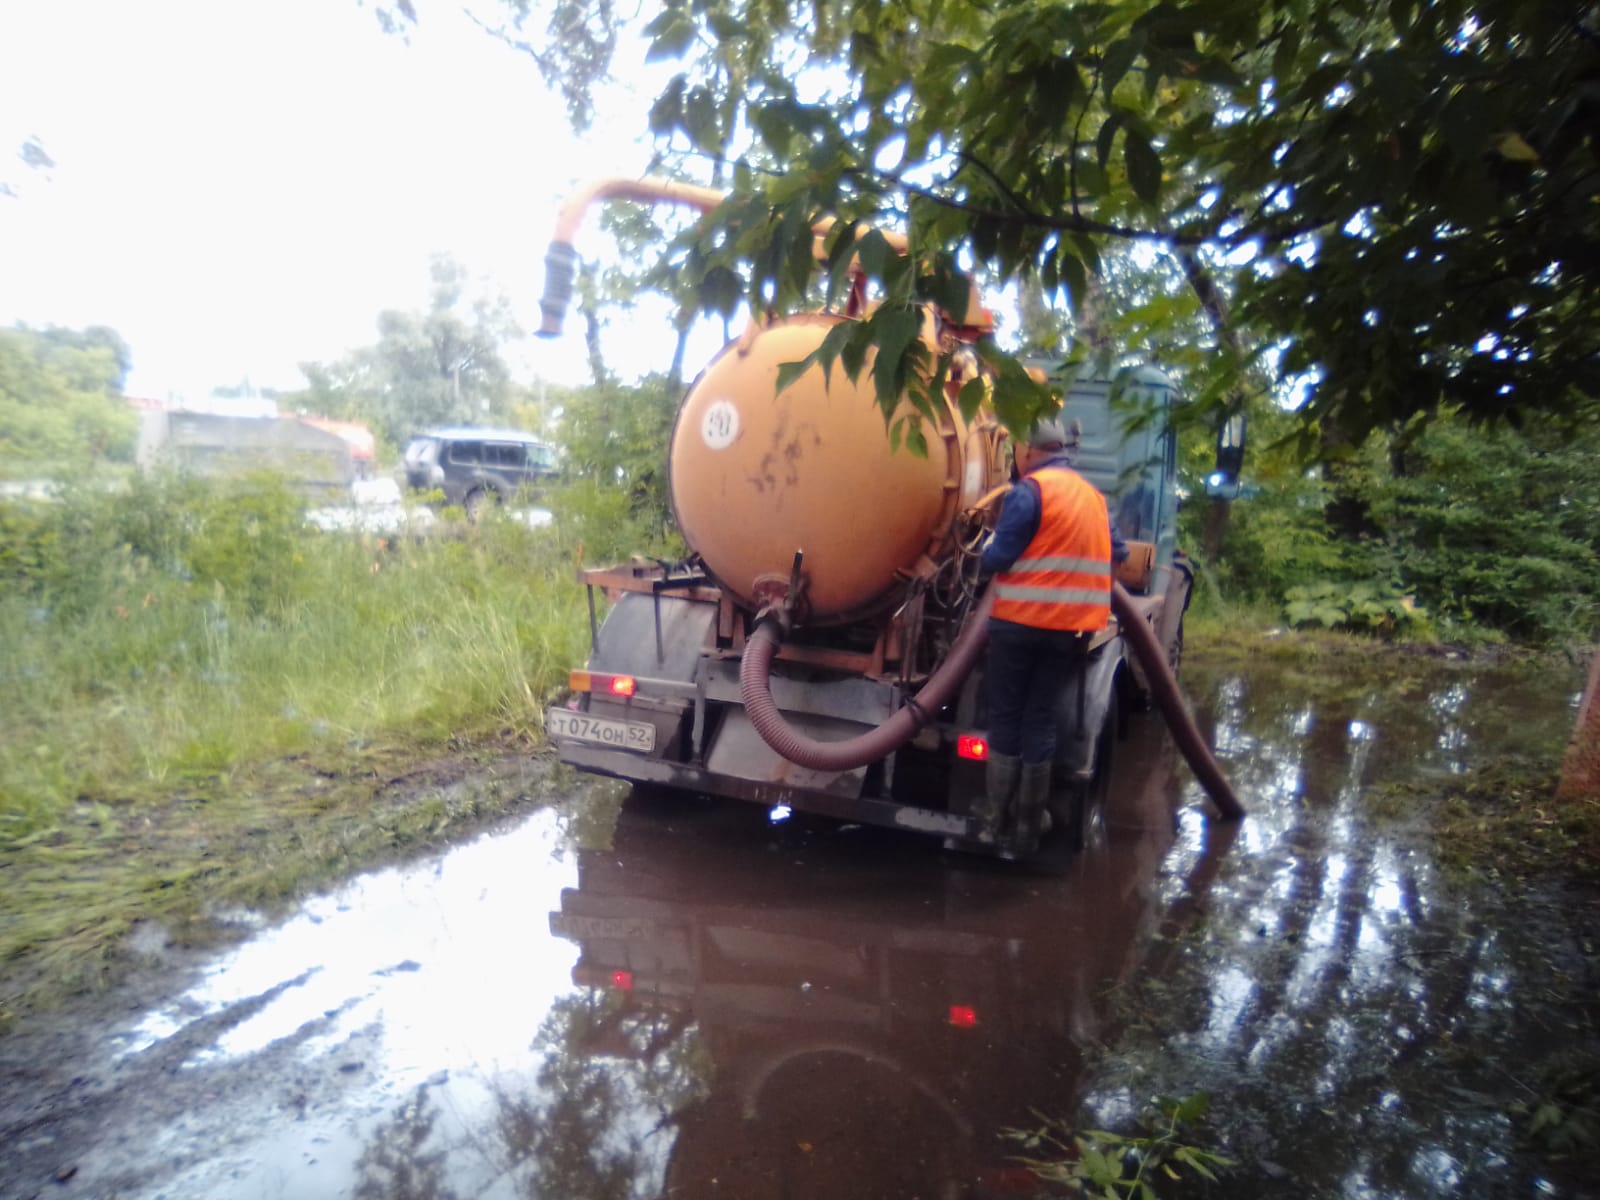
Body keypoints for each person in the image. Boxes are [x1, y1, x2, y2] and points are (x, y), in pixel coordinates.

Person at [975, 415, 1127, 852]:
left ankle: (994, 821)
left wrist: (985, 548)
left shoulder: (1030, 491)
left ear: (1028, 451)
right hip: (1068, 631)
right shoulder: (1093, 498)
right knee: (1039, 717)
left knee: (1006, 715)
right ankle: (1028, 827)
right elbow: (1117, 554)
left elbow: (999, 558)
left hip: (1018, 624)